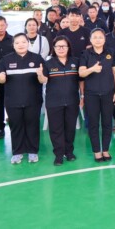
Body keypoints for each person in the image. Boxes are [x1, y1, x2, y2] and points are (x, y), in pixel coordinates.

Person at [0, 33, 44, 164]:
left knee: (32, 125)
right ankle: (17, 152)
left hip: (33, 100)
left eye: (23, 42)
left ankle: (33, 151)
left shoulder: (37, 58)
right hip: (12, 101)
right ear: (13, 45)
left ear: (28, 43)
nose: (20, 45)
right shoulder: (5, 60)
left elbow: (44, 80)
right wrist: (1, 77)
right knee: (16, 126)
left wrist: (40, 75)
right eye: (17, 43)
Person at [38, 36, 81, 166]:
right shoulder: (48, 63)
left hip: (72, 101)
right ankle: (58, 154)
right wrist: (40, 74)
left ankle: (69, 152)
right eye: (58, 46)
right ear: (54, 48)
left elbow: (81, 81)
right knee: (56, 129)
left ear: (68, 48)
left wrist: (83, 96)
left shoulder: (76, 62)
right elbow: (43, 80)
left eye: (64, 46)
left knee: (70, 128)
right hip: (54, 102)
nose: (61, 49)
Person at [79, 28, 115, 162]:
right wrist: (92, 69)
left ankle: (106, 150)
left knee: (107, 122)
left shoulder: (111, 52)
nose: (98, 40)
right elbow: (81, 73)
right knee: (93, 124)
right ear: (90, 40)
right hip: (91, 94)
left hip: (108, 93)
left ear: (104, 39)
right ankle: (97, 151)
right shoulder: (85, 54)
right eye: (95, 37)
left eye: (100, 37)